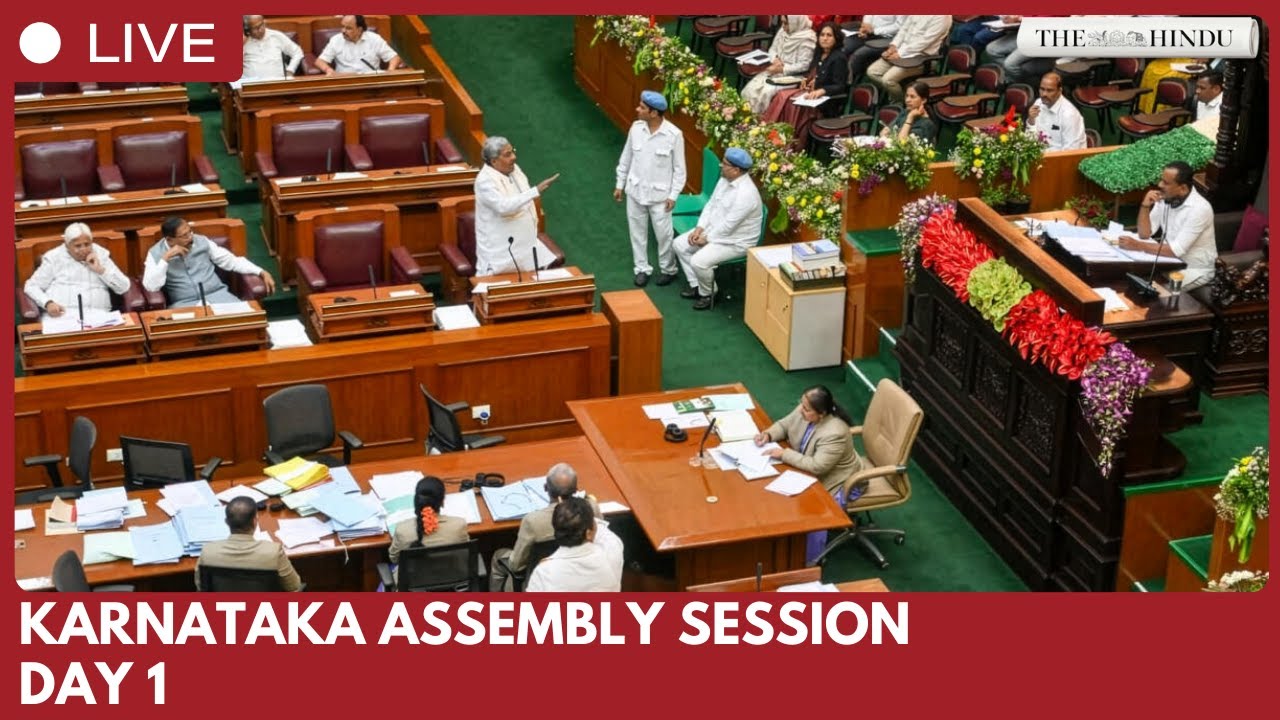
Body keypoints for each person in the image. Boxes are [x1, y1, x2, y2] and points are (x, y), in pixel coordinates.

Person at [672, 147, 763, 310]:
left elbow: (729, 225)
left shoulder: (746, 195)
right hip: (716, 231)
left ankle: (709, 293)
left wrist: (706, 239)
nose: (721, 166)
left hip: (736, 242)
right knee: (679, 244)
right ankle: (698, 286)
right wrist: (699, 228)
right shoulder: (725, 180)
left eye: (725, 164)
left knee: (699, 261)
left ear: (736, 170)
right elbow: (711, 205)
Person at [614, 90, 687, 287]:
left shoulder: (674, 135)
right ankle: (642, 269)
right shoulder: (636, 128)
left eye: (642, 108)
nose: (638, 110)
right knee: (637, 232)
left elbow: (680, 170)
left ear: (654, 113)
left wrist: (673, 195)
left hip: (660, 196)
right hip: (635, 191)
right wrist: (620, 184)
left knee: (664, 235)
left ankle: (668, 269)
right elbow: (626, 157)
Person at [489, 462, 598, 591]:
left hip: (538, 584)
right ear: (576, 490)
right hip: (580, 576)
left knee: (498, 555)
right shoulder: (591, 508)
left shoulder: (533, 521)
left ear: (546, 488)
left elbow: (516, 566)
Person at [1118, 161, 1218, 291]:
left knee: (1156, 293)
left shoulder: (1200, 209)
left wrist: (1137, 245)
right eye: (1161, 180)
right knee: (1126, 278)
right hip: (1168, 263)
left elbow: (1176, 250)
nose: (1160, 185)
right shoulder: (1166, 198)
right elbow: (1145, 234)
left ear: (1182, 188)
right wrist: (1145, 206)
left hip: (1194, 269)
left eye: (1166, 183)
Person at [472, 136, 559, 276]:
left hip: (526, 247)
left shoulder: (514, 169)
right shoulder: (484, 181)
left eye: (513, 151)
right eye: (508, 154)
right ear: (494, 161)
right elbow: (503, 207)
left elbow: (523, 198)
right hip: (503, 253)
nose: (514, 157)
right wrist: (535, 191)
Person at [754, 385, 864, 496]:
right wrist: (768, 435)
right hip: (804, 468)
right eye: (802, 404)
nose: (801, 410)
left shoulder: (835, 434)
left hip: (838, 482)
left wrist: (784, 454)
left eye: (806, 409)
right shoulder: (805, 409)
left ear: (822, 414)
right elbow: (784, 425)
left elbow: (817, 466)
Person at [143, 217, 276, 306]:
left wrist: (261, 271)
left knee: (244, 322)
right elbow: (151, 286)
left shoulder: (201, 241)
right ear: (170, 239)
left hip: (218, 296)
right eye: (184, 236)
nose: (190, 238)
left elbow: (231, 261)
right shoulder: (155, 253)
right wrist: (165, 259)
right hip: (184, 304)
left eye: (190, 232)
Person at [24, 222, 131, 318]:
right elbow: (31, 286)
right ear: (67, 246)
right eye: (78, 246)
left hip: (98, 316)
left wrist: (101, 271)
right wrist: (47, 303)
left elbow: (124, 287)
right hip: (63, 317)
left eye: (87, 244)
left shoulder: (101, 255)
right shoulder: (54, 258)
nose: (83, 249)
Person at [762, 22, 847, 141]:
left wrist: (822, 91)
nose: (825, 38)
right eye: (822, 35)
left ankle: (791, 140)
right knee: (782, 96)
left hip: (825, 101)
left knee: (792, 103)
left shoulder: (839, 58)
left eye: (829, 35)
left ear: (836, 38)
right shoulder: (819, 52)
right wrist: (806, 80)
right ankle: (772, 134)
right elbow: (813, 74)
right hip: (810, 93)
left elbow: (840, 86)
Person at [196, 496, 301, 591]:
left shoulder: (208, 551)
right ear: (255, 521)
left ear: (227, 522)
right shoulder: (273, 552)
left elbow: (201, 588)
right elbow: (294, 587)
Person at [525, 496, 624, 592]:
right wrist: (592, 504)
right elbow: (605, 534)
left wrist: (566, 514)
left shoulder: (544, 572)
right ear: (588, 533)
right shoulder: (611, 551)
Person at [387, 476, 470, 585]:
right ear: (442, 501)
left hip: (413, 589)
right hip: (452, 585)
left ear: (416, 501)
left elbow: (394, 559)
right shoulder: (459, 525)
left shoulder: (403, 530)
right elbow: (466, 553)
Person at [865, 15, 951, 103]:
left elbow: (925, 41)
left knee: (888, 80)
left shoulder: (942, 17)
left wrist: (900, 53)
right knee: (872, 72)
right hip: (901, 50)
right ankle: (900, 96)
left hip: (922, 57)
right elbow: (904, 29)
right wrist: (893, 46)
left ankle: (902, 103)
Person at [740, 15, 815, 116]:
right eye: (782, 22)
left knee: (766, 92)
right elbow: (772, 49)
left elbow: (804, 65)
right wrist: (774, 58)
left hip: (793, 76)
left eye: (786, 23)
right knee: (751, 88)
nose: (783, 26)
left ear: (795, 22)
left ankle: (760, 121)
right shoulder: (783, 31)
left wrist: (782, 69)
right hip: (775, 69)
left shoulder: (808, 38)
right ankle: (745, 118)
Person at [314, 15, 402, 75]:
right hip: (345, 81)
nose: (343, 31)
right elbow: (320, 61)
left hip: (371, 80)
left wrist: (390, 71)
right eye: (343, 26)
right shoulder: (336, 40)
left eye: (348, 28)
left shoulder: (374, 39)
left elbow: (394, 58)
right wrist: (329, 70)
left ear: (359, 30)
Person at [1027, 71, 1086, 151]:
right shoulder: (1038, 103)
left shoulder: (1069, 115)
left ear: (1059, 91)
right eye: (1042, 89)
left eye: (1049, 90)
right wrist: (1031, 121)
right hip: (1040, 154)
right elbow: (1030, 138)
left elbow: (1070, 152)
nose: (1044, 94)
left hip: (1059, 159)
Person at [843, 14, 907, 83]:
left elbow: (899, 26)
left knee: (859, 54)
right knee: (844, 46)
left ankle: (847, 83)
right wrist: (865, 26)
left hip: (886, 38)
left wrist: (875, 30)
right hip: (869, 33)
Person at [241, 15, 303, 80]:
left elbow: (297, 52)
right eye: (256, 28)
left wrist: (290, 70)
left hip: (278, 83)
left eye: (262, 24)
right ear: (247, 30)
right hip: (250, 85)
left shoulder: (276, 36)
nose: (261, 29)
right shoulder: (243, 42)